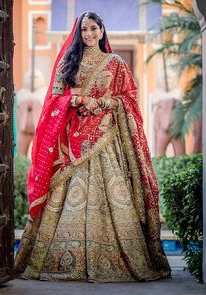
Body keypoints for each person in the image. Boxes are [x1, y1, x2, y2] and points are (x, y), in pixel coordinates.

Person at [14, 11, 171, 282]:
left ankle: (117, 260)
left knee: (112, 193)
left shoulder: (116, 64)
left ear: (101, 30)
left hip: (106, 139)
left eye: (93, 29)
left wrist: (103, 103)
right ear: (79, 32)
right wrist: (76, 102)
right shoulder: (68, 62)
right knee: (66, 193)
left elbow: (129, 100)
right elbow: (54, 99)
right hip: (72, 142)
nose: (88, 34)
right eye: (84, 29)